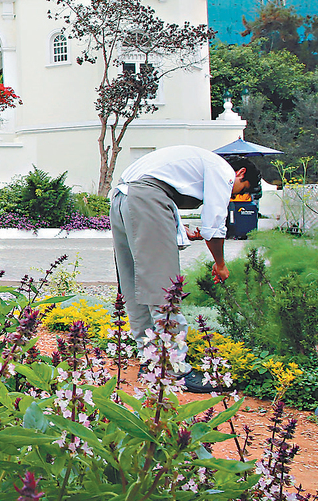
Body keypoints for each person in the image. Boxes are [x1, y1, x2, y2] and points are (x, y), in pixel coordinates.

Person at [110, 146, 257, 354]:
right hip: (145, 198)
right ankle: (172, 364)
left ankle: (148, 353)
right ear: (240, 173)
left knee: (133, 279)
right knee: (162, 285)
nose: (236, 195)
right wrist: (221, 264)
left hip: (121, 198)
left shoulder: (198, 160)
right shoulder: (223, 170)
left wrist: (178, 227)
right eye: (241, 189)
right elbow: (214, 226)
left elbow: (158, 190)